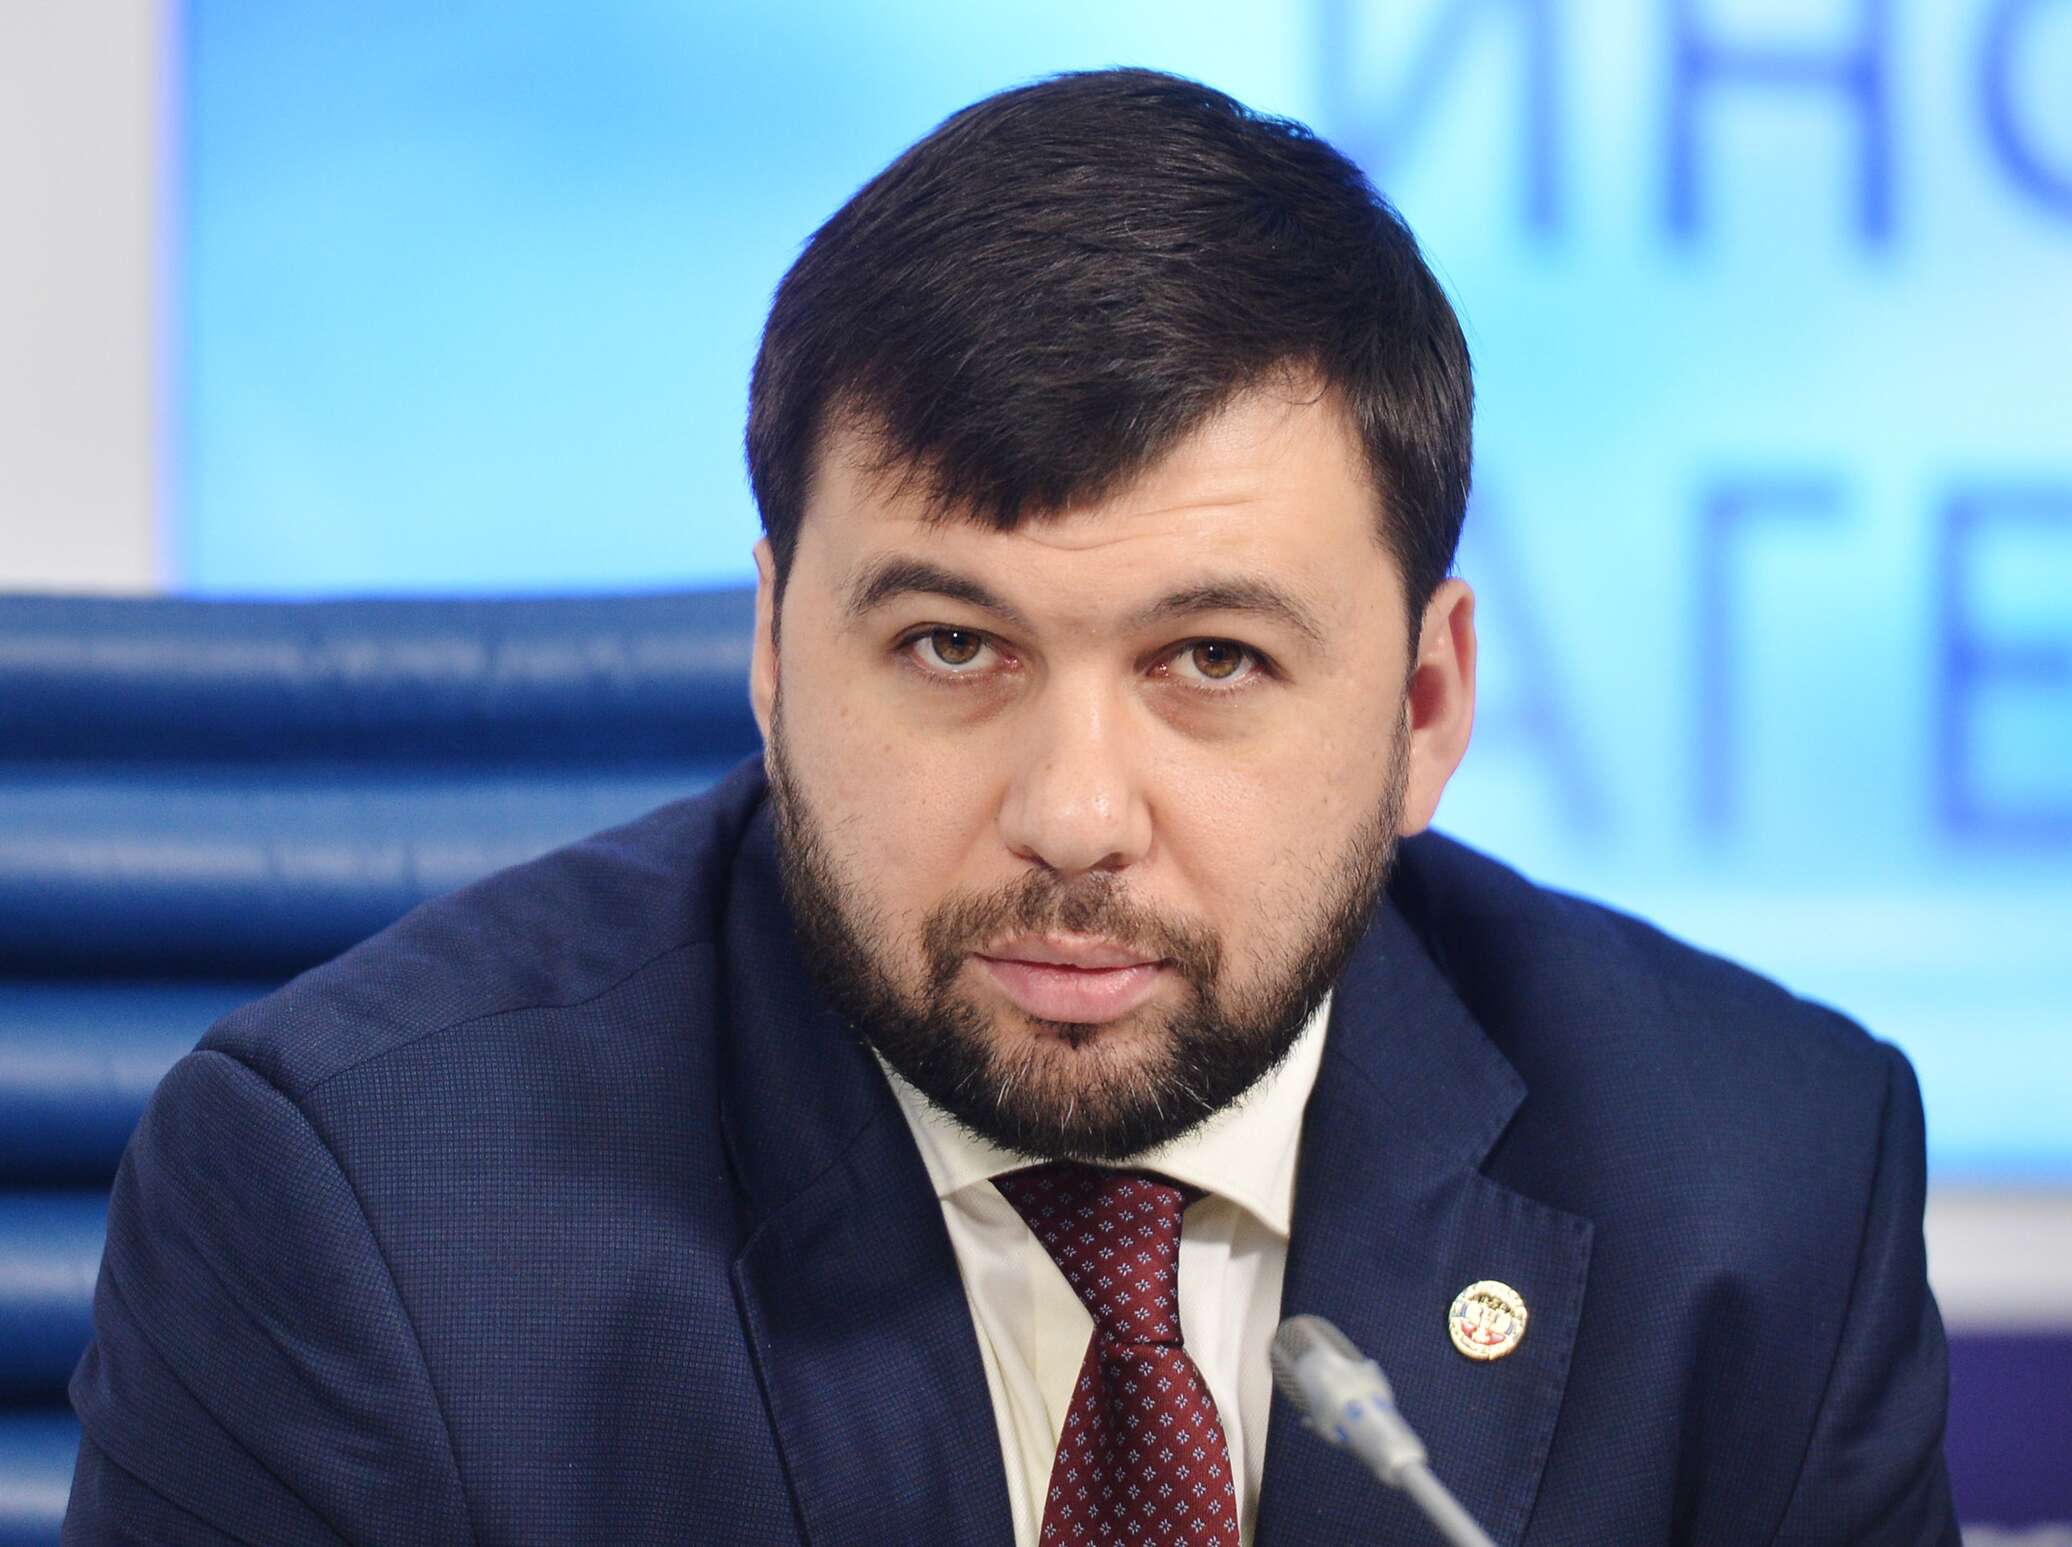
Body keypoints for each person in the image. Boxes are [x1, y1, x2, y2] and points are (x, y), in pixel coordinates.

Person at [63, 69, 1956, 1545]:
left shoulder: (1760, 1187)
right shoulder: (368, 1211)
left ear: (1424, 706)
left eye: (1211, 659)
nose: (1073, 814)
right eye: (954, 646)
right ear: (775, 654)